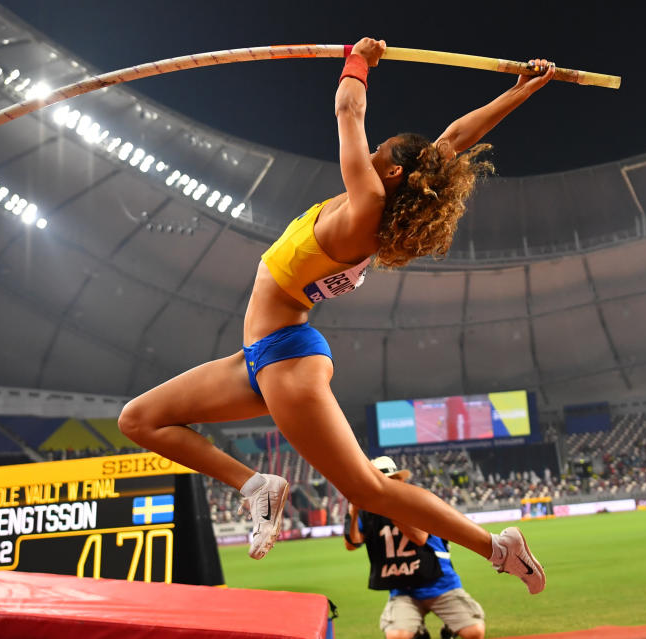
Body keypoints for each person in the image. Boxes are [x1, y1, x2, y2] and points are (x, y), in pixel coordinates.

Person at [118, 36, 551, 594]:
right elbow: (454, 140)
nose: (377, 149)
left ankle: (497, 547)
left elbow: (348, 108)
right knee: (140, 420)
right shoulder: (380, 196)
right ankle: (256, 487)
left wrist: (359, 60)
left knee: (370, 490)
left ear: (392, 172)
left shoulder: (367, 202)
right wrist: (520, 91)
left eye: (386, 148)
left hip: (288, 362)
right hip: (264, 354)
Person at [345, 457, 486, 639]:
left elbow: (419, 537)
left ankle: (450, 627)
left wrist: (388, 507)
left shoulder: (415, 501)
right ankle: (418, 631)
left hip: (440, 583)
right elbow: (351, 543)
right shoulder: (367, 512)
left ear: (399, 481)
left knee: (474, 632)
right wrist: (354, 512)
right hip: (403, 589)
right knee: (397, 637)